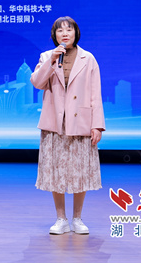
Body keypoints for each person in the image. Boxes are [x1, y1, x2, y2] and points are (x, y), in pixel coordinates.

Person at [30, 16, 105, 235]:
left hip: (80, 123)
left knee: (79, 172)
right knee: (57, 172)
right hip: (54, 124)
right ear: (54, 35)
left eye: (69, 29)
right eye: (60, 30)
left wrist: (97, 125)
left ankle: (77, 218)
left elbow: (95, 94)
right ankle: (60, 218)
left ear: (76, 33)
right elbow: (37, 82)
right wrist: (51, 60)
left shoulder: (88, 58)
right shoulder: (47, 56)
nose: (65, 33)